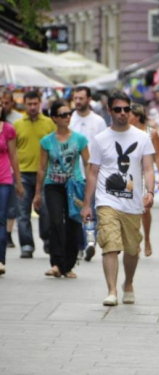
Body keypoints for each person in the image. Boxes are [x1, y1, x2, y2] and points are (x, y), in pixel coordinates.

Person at [81, 90, 155, 306]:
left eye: (126, 109)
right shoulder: (100, 139)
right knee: (110, 244)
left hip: (133, 203)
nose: (123, 113)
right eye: (118, 109)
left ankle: (128, 283)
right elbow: (93, 173)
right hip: (107, 201)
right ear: (109, 111)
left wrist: (150, 191)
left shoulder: (143, 138)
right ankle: (112, 290)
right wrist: (87, 204)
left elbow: (148, 168)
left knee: (132, 250)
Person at [34, 101, 89, 279]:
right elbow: (42, 167)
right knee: (55, 222)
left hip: (74, 186)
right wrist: (37, 193)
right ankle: (57, 264)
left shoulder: (80, 139)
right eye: (63, 114)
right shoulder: (46, 141)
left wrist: (89, 189)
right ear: (54, 118)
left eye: (69, 114)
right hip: (53, 186)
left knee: (73, 224)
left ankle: (69, 265)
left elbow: (88, 164)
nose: (67, 117)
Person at [14, 91, 55, 258]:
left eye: (35, 104)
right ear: (24, 104)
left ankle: (46, 239)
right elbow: (13, 150)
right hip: (22, 173)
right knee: (23, 211)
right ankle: (26, 245)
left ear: (40, 104)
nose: (32, 107)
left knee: (45, 209)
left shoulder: (49, 123)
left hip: (44, 173)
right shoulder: (17, 125)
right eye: (29, 104)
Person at [69, 86, 107, 262]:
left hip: (92, 173)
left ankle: (90, 243)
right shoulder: (68, 119)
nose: (77, 101)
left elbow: (105, 146)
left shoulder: (98, 121)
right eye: (75, 98)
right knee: (75, 212)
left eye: (81, 98)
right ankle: (78, 245)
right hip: (72, 174)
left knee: (91, 210)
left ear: (89, 99)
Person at [129, 103, 159, 257]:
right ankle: (136, 239)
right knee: (131, 208)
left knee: (145, 209)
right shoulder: (126, 132)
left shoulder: (151, 133)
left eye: (129, 114)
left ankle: (147, 239)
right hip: (130, 173)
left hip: (146, 173)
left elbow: (158, 156)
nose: (125, 116)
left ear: (137, 116)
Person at [0, 100, 24, 275]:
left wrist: (19, 182)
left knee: (1, 218)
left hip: (4, 179)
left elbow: (13, 155)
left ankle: (0, 260)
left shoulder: (8, 129)